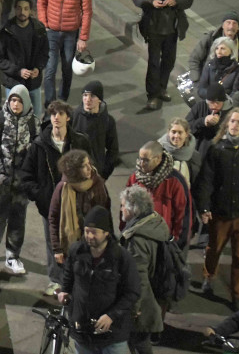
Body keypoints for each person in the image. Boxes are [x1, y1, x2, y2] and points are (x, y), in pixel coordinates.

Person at [18, 100, 93, 295]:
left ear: (68, 117)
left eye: (60, 114)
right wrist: (42, 196)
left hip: (77, 204)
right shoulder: (39, 145)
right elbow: (26, 176)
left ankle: (75, 280)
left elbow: (92, 170)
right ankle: (56, 281)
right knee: (54, 244)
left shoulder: (80, 142)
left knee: (77, 242)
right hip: (50, 206)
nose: (56, 118)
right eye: (53, 114)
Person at [197, 109, 239, 308]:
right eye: (232, 121)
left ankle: (237, 294)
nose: (234, 125)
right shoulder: (216, 148)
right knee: (214, 249)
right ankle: (208, 277)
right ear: (226, 124)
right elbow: (206, 179)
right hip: (221, 212)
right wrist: (204, 207)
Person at [57, 206, 140, 354]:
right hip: (82, 332)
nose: (89, 236)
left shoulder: (122, 258)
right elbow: (68, 274)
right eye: (86, 231)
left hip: (113, 336)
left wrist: (111, 316)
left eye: (94, 232)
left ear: (106, 233)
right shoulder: (76, 250)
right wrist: (65, 291)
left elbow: (132, 292)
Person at [0, 84, 36, 275]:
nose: (15, 104)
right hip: (0, 180)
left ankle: (12, 256)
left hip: (22, 184)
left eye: (19, 100)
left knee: (18, 220)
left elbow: (38, 155)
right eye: (12, 100)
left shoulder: (33, 123)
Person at [131, 0, 193, 110]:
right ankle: (152, 95)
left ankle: (162, 88)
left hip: (172, 28)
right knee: (153, 63)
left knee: (169, 61)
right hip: (153, 27)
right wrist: (150, 2)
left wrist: (176, 1)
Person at [118, 186, 170, 354]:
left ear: (133, 210)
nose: (121, 209)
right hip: (153, 295)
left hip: (143, 302)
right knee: (138, 342)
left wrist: (134, 308)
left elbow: (138, 277)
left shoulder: (137, 239)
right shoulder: (155, 222)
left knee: (138, 342)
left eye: (123, 205)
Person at [37, 0, 91, 105]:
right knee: (50, 70)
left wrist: (83, 37)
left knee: (67, 70)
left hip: (70, 34)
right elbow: (41, 2)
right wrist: (44, 24)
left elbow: (87, 11)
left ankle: (62, 102)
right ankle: (50, 104)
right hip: (51, 31)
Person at [48, 150, 112, 276]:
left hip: (95, 243)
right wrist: (57, 249)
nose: (90, 168)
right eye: (84, 166)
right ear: (74, 170)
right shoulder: (63, 187)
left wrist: (109, 242)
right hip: (72, 247)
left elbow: (106, 215)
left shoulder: (98, 183)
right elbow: (53, 218)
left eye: (89, 163)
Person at [126, 141, 192, 250]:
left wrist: (177, 242)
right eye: (140, 159)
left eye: (146, 160)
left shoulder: (175, 181)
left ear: (158, 158)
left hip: (164, 242)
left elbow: (183, 214)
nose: (141, 163)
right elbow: (125, 207)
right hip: (139, 240)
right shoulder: (134, 178)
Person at [0, 0, 49, 118]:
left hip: (33, 83)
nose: (22, 12)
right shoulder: (6, 31)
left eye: (25, 9)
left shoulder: (39, 29)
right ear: (14, 9)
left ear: (30, 11)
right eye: (19, 8)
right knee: (13, 118)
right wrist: (18, 71)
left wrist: (38, 68)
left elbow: (44, 53)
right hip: (13, 82)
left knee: (36, 117)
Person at [72, 81, 120, 180]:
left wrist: (104, 173)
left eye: (92, 96)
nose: (88, 99)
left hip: (96, 173)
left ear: (99, 100)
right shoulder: (73, 116)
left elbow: (113, 150)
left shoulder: (108, 121)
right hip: (74, 172)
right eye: (85, 95)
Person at [187, 11, 239, 83]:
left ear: (238, 27)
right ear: (223, 25)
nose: (231, 26)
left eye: (234, 23)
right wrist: (196, 80)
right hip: (206, 80)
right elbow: (194, 59)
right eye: (228, 22)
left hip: (228, 84)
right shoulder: (210, 38)